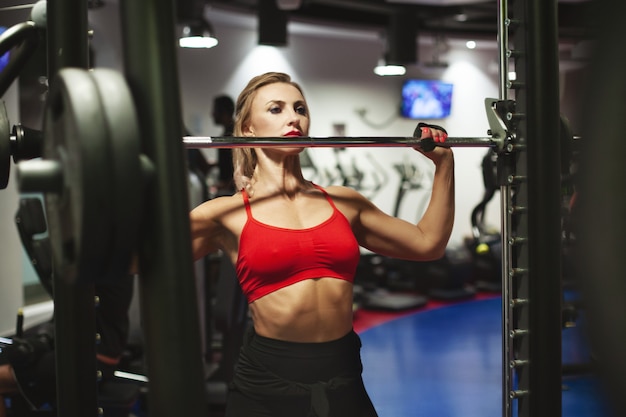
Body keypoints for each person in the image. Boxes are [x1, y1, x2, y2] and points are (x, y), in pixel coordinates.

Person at [189, 72, 454, 417]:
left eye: (299, 108)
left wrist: (444, 165)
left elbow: (427, 243)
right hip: (267, 380)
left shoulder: (345, 203)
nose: (293, 117)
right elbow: (137, 258)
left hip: (342, 373)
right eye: (276, 109)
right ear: (249, 129)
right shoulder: (225, 213)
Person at [212, 94, 236, 195]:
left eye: (215, 110)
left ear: (223, 111)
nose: (212, 114)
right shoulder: (228, 133)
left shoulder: (233, 134)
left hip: (232, 191)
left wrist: (228, 184)